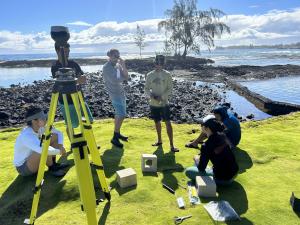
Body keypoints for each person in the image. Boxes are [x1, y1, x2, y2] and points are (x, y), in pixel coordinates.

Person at [51, 43, 93, 135]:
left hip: (79, 98)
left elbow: (82, 77)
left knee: (88, 121)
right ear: (58, 51)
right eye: (65, 51)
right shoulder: (55, 66)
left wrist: (80, 79)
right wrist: (76, 80)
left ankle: (89, 144)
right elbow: (61, 83)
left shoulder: (73, 63)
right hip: (65, 100)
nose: (68, 53)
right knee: (71, 125)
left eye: (68, 51)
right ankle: (73, 145)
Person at [14, 107, 68, 177]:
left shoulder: (41, 127)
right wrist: (59, 151)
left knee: (54, 136)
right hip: (24, 168)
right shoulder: (26, 135)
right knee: (43, 148)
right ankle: (52, 168)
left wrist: (60, 146)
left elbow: (59, 133)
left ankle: (53, 164)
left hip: (34, 159)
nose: (45, 119)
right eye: (42, 118)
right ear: (34, 121)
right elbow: (42, 150)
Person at [185, 117, 239, 185]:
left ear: (207, 128)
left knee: (188, 171)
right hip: (235, 173)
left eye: (202, 125)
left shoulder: (206, 145)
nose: (201, 127)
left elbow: (201, 168)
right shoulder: (223, 135)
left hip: (223, 179)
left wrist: (196, 159)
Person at [145, 55, 179, 153]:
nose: (158, 65)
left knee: (168, 123)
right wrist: (150, 95)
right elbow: (146, 88)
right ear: (154, 63)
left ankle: (172, 145)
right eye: (156, 63)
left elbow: (170, 89)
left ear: (163, 64)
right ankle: (159, 140)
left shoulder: (167, 75)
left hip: (164, 104)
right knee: (157, 122)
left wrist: (162, 97)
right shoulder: (149, 75)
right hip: (153, 103)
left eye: (160, 63)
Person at [102, 49, 129, 148]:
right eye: (115, 56)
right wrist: (123, 76)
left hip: (121, 93)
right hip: (114, 95)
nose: (117, 57)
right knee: (121, 114)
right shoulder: (106, 67)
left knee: (119, 114)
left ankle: (117, 133)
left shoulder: (118, 65)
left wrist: (124, 65)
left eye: (118, 55)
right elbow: (115, 80)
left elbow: (126, 76)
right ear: (109, 56)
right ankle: (114, 137)